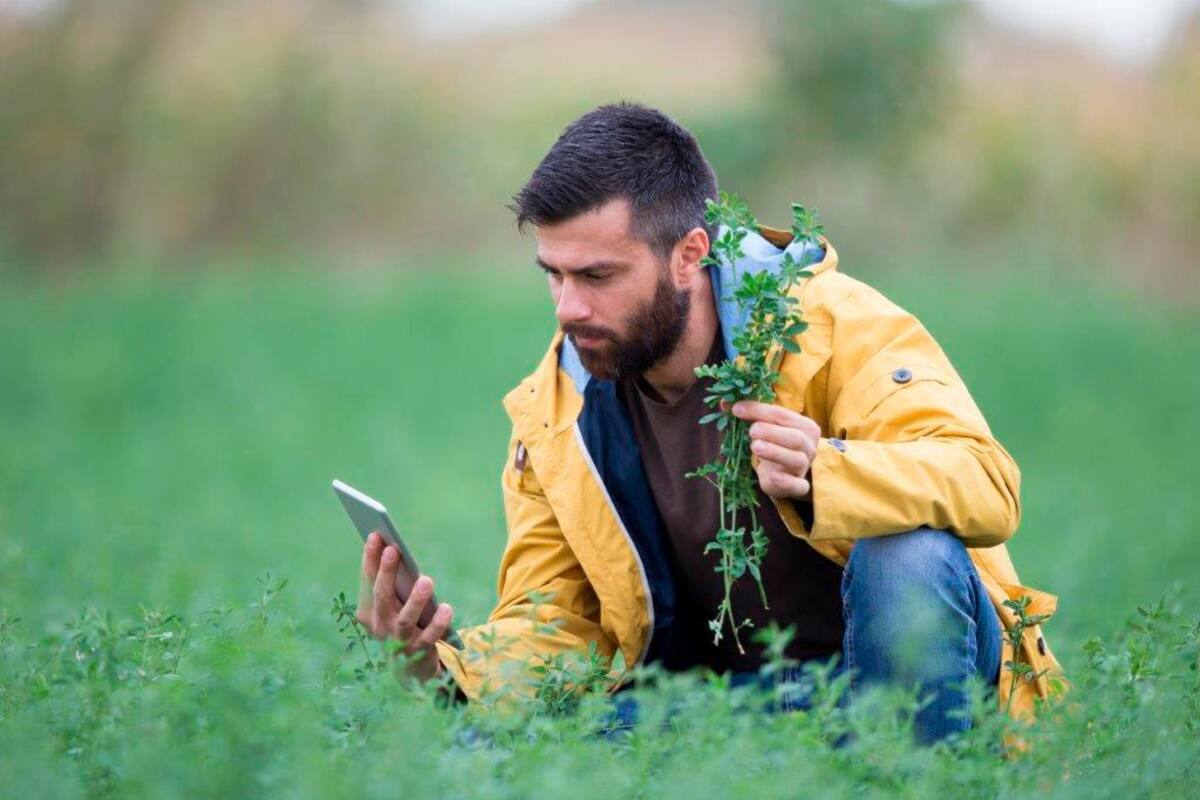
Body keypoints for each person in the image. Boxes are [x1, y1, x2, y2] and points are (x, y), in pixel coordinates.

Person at [353, 101, 1064, 744]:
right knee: (490, 744)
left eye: (597, 277)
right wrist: (440, 668)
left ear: (690, 254)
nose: (567, 309)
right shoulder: (557, 409)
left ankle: (915, 783)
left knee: (905, 553)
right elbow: (558, 626)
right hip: (729, 710)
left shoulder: (838, 326)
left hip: (892, 692)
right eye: (554, 275)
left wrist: (829, 473)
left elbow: (989, 483)